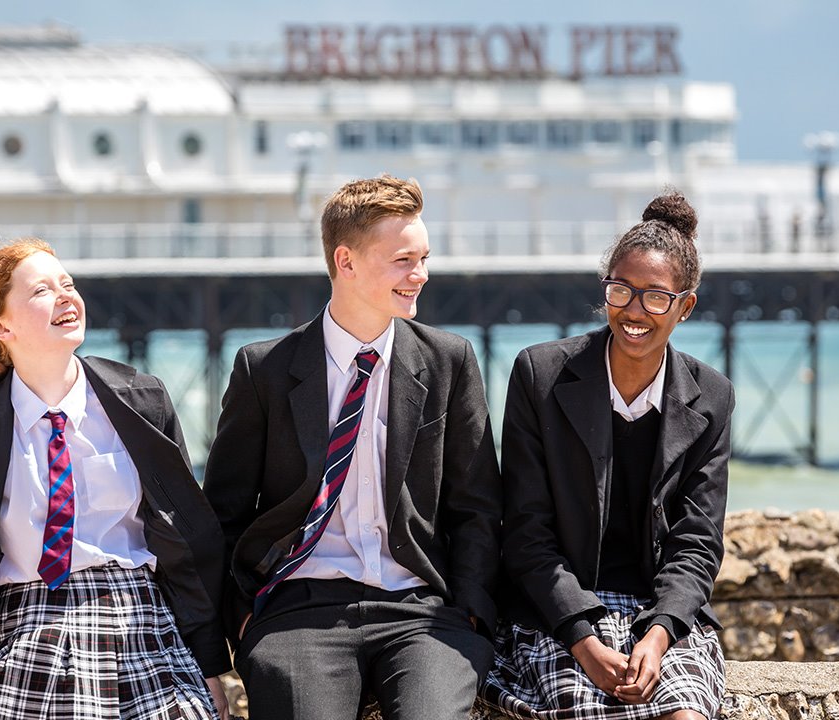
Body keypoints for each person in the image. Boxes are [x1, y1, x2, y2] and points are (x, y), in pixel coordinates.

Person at [202, 176, 501, 720]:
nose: (422, 275)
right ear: (347, 261)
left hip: (422, 611)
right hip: (297, 610)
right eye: (404, 260)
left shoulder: (449, 361)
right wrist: (240, 614)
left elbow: (476, 505)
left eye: (424, 258)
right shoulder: (263, 369)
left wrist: (472, 610)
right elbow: (224, 511)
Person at [0, 238, 231, 720]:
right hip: (26, 617)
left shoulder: (143, 401)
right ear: (1, 325)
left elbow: (187, 540)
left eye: (68, 284)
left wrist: (208, 663)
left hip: (139, 613)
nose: (65, 296)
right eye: (42, 290)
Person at [483, 193, 731, 720]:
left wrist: (660, 634)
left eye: (656, 297)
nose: (635, 310)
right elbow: (526, 532)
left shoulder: (711, 397)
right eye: (621, 289)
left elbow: (698, 541)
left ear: (685, 307)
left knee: (683, 715)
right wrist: (582, 640)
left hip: (660, 612)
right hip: (559, 609)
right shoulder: (540, 375)